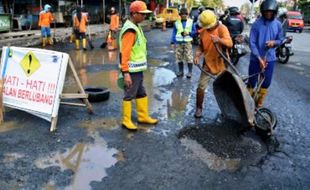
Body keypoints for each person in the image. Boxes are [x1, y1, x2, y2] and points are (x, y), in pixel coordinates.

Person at [119, 1, 158, 130]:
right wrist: (125, 73)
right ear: (134, 14)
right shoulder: (130, 30)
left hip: (138, 69)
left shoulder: (136, 26)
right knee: (129, 94)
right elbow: (124, 54)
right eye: (142, 14)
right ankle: (126, 120)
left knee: (141, 92)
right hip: (131, 70)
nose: (144, 17)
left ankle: (142, 116)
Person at [193, 10, 233, 118]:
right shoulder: (203, 31)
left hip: (221, 64)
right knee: (201, 87)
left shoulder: (222, 28)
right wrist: (197, 55)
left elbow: (230, 43)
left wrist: (219, 40)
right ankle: (199, 107)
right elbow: (201, 46)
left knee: (226, 89)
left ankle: (227, 109)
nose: (208, 28)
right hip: (208, 64)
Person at [247, 0, 283, 108]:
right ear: (263, 11)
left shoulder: (278, 24)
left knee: (266, 82)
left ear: (274, 12)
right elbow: (252, 42)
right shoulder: (256, 24)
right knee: (252, 82)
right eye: (266, 12)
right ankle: (248, 102)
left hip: (270, 58)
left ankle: (258, 103)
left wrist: (274, 42)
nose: (268, 14)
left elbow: (281, 39)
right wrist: (259, 58)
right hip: (255, 58)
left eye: (271, 12)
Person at [170, 7, 196, 78]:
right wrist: (172, 42)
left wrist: (189, 33)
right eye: (182, 14)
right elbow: (174, 33)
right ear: (180, 15)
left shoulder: (191, 22)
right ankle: (181, 71)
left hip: (188, 43)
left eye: (185, 14)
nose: (183, 15)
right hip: (179, 43)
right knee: (179, 57)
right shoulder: (176, 23)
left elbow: (194, 32)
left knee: (189, 57)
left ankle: (190, 72)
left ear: (187, 15)